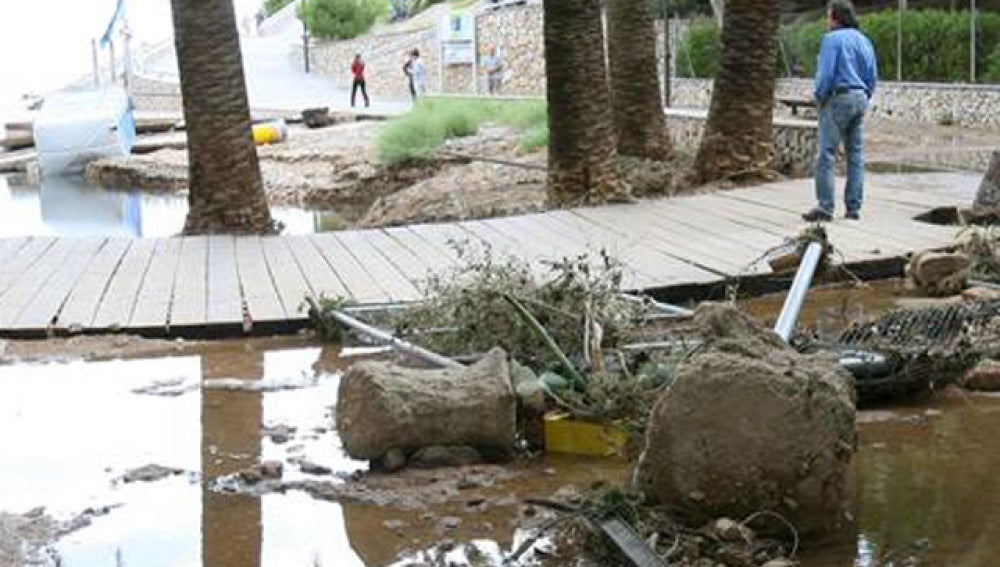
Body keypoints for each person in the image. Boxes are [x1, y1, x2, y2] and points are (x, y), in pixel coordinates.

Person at [802, 0, 878, 222]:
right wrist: (864, 96)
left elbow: (825, 75)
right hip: (860, 97)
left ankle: (825, 207)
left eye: (828, 16)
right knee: (855, 155)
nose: (826, 20)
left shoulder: (831, 40)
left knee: (827, 153)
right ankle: (853, 208)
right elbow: (872, 75)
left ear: (835, 18)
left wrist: (819, 97)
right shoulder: (864, 40)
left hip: (838, 98)